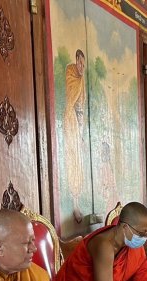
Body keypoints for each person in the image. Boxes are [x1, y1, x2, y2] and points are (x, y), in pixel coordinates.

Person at [63, 49, 87, 200]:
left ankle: (77, 194)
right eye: (79, 63)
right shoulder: (70, 73)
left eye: (83, 65)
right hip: (69, 119)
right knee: (70, 155)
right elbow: (71, 99)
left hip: (77, 122)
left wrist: (81, 123)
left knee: (78, 157)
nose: (81, 67)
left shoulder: (82, 80)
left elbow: (81, 104)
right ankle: (72, 194)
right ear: (76, 60)